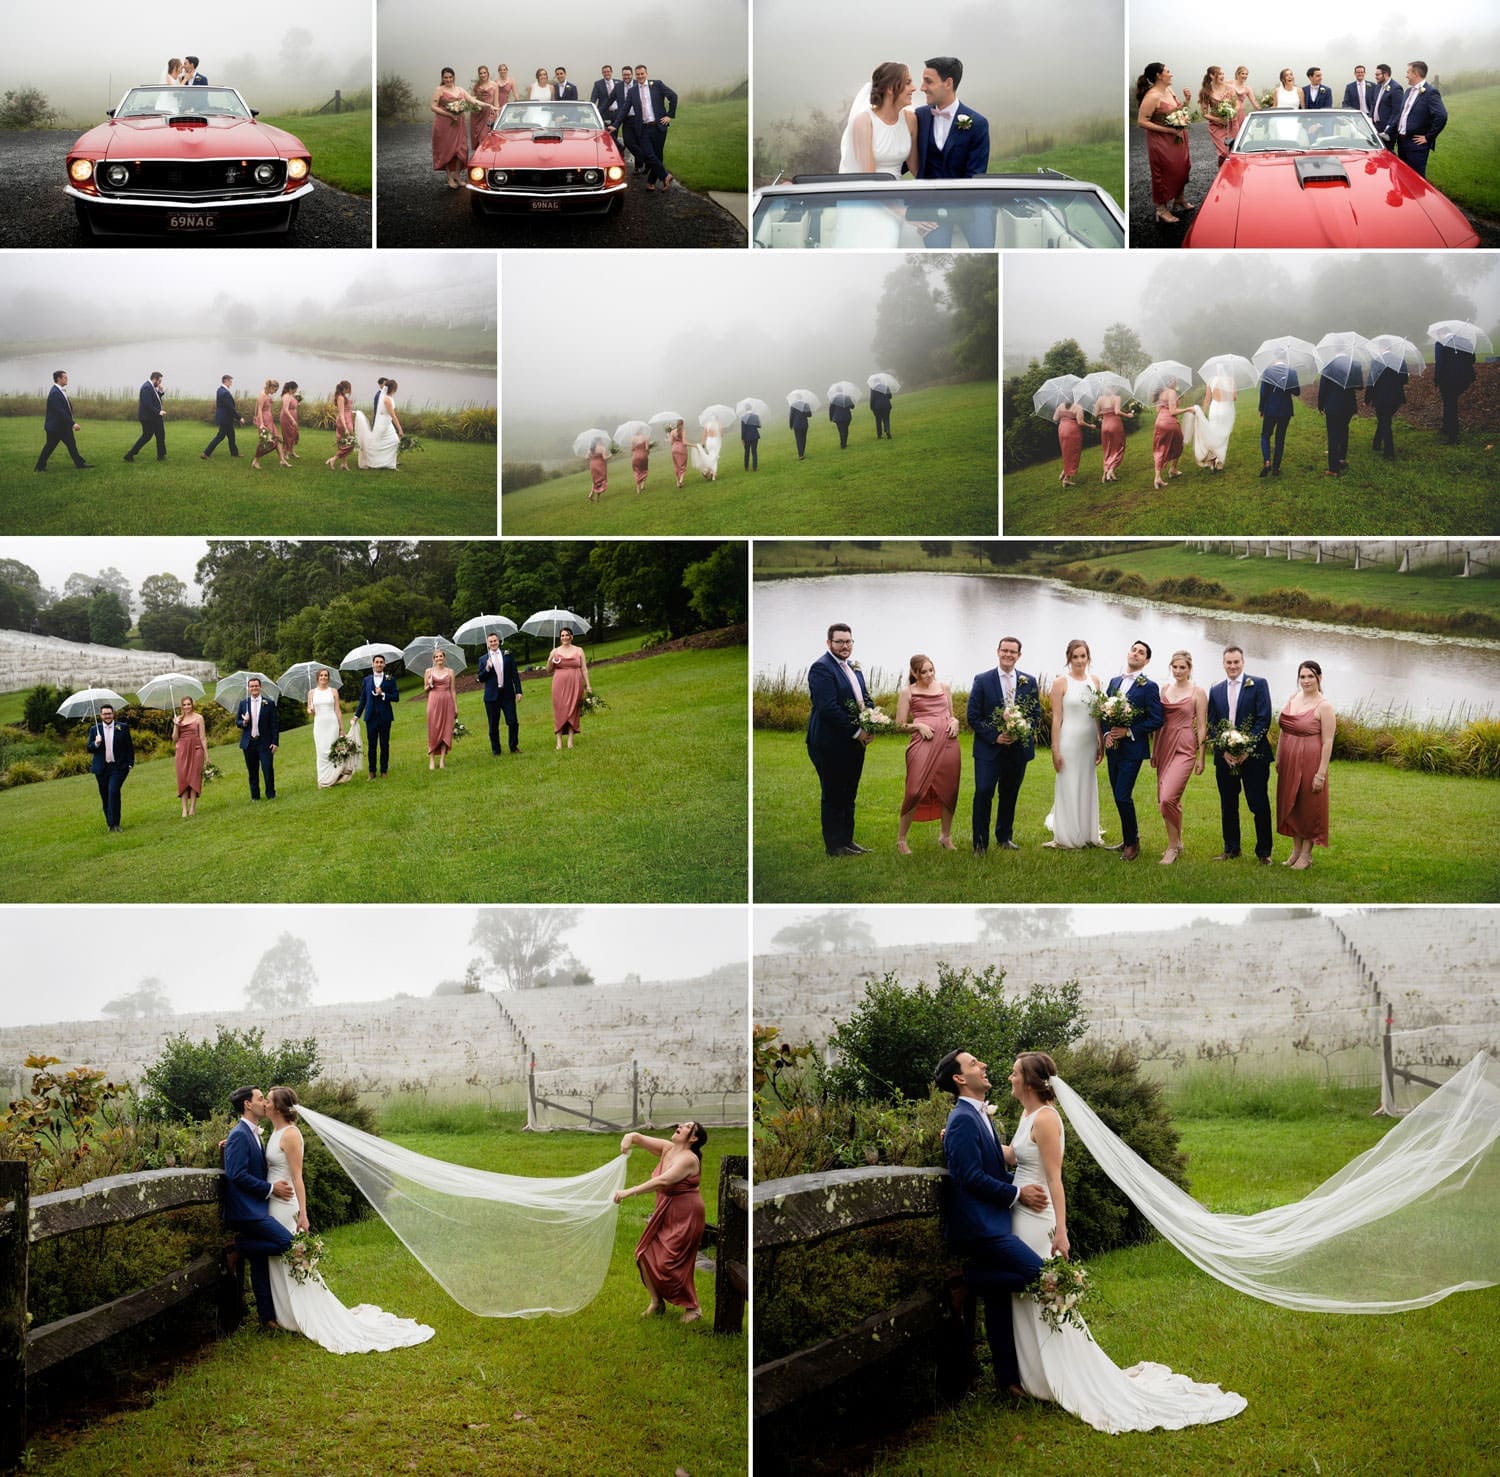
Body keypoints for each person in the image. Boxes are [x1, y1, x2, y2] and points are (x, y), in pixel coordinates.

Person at [1003, 1052, 1247, 1431]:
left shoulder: (1047, 1119)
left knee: (1044, 1290)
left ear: (1031, 1083)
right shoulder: (1026, 1115)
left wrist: (1062, 1231)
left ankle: (1061, 1374)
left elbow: (1054, 1178)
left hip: (1038, 1218)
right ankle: (1036, 1373)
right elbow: (1016, 1157)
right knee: (1027, 1292)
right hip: (1020, 1212)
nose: (1010, 1077)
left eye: (1015, 1073)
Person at [260, 1087, 435, 1352]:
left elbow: (298, 1177)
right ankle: (287, 1314)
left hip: (286, 1205)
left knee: (292, 1256)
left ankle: (304, 1314)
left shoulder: (291, 1134)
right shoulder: (273, 1132)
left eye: (269, 1101)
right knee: (278, 1258)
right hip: (273, 1202)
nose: (265, 1104)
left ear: (278, 1108)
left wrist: (303, 1213)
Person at [933, 1049, 1049, 1399]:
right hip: (979, 1228)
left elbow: (989, 1167)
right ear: (959, 1078)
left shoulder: (979, 1116)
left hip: (994, 1221)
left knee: (999, 1299)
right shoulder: (963, 1120)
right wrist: (1017, 1194)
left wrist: (1020, 1179)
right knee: (1039, 1273)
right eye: (973, 1064)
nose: (982, 1066)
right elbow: (968, 1177)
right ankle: (965, 1282)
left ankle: (1008, 1382)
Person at [615, 1123, 707, 1323]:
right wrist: (628, 1139)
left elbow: (663, 1181)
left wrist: (628, 1192)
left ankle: (693, 1308)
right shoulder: (668, 1149)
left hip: (686, 1216)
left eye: (688, 1126)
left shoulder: (688, 1159)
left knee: (671, 1263)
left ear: (693, 1138)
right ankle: (656, 1303)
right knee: (644, 1253)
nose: (681, 1126)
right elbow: (637, 1137)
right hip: (665, 1211)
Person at [222, 1087, 295, 1329]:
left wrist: (225, 1144)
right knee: (287, 1243)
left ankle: (267, 1319)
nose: (264, 1102)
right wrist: (271, 1189)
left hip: (257, 1208)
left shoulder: (252, 1133)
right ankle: (237, 1248)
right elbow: (236, 1174)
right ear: (247, 1104)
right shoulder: (240, 1134)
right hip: (246, 1211)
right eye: (260, 1098)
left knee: (261, 1260)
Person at [968, 636, 1038, 854]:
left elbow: (1035, 714)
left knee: (1009, 794)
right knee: (983, 791)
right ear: (997, 651)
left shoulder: (1029, 681)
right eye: (1004, 650)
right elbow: (973, 716)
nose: (1008, 655)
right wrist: (995, 736)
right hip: (989, 749)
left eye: (1013, 652)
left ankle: (1004, 837)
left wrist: (1021, 731)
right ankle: (980, 842)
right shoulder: (982, 680)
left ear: (1019, 655)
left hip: (1017, 751)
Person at [807, 622, 872, 856]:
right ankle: (834, 846)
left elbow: (864, 698)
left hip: (853, 743)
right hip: (829, 743)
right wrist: (857, 731)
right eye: (840, 642)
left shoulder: (854, 667)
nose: (845, 646)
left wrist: (872, 720)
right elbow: (828, 708)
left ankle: (848, 840)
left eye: (848, 641)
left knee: (849, 792)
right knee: (833, 793)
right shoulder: (821, 668)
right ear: (829, 643)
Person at [912, 56, 992, 247]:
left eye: (928, 81)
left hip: (969, 204)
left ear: (948, 83)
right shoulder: (919, 116)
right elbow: (905, 160)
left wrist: (951, 208)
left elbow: (975, 175)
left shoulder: (977, 123)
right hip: (930, 205)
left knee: (984, 248)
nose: (922, 87)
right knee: (937, 251)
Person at [1206, 644, 1273, 864]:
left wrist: (1246, 748)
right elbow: (1213, 724)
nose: (1232, 666)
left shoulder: (1259, 684)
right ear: (1223, 664)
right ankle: (1231, 848)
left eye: (1236, 662)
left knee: (1258, 803)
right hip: (1225, 758)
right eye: (1228, 662)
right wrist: (1224, 749)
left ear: (1243, 662)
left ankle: (1264, 852)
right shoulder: (1215, 690)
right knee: (1228, 803)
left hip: (1254, 757)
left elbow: (1264, 719)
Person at [1102, 640, 1164, 863]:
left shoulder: (1149, 686)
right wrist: (1107, 734)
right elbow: (1103, 711)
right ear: (1128, 653)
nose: (1136, 654)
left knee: (1122, 795)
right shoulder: (1114, 681)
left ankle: (1132, 844)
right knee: (1118, 797)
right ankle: (1128, 837)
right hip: (1113, 751)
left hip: (1132, 751)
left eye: (1141, 653)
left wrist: (1129, 731)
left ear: (1146, 661)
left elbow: (1157, 719)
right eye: (1134, 650)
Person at [896, 654, 960, 853]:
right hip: (922, 744)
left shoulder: (944, 688)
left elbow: (951, 715)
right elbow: (899, 725)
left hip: (949, 744)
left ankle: (945, 836)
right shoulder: (908, 692)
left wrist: (956, 721)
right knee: (915, 790)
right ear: (914, 673)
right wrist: (918, 725)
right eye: (923, 672)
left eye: (931, 670)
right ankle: (901, 840)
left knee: (949, 790)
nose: (929, 675)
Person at [1275, 661, 1335, 870]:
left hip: (1310, 762)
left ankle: (1306, 855)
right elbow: (1284, 730)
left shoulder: (1324, 706)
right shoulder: (1294, 698)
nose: (1306, 681)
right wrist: (1279, 757)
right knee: (1292, 804)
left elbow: (1328, 741)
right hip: (1289, 760)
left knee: (1309, 807)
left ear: (1319, 677)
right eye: (1302, 677)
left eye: (1310, 676)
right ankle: (1295, 851)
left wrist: (1321, 773)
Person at [1047, 639, 1104, 849]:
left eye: (1083, 656)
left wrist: (1101, 742)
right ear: (1069, 659)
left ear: (1088, 657)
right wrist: (1055, 749)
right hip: (1069, 741)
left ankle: (1088, 832)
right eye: (1075, 656)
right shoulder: (1061, 683)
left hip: (1089, 742)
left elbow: (1097, 715)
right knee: (1068, 784)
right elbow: (1056, 719)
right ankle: (1067, 836)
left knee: (1087, 784)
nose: (1080, 661)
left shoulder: (1095, 681)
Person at [1152, 650, 1206, 865]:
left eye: (1182, 667)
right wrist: (1155, 750)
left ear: (1189, 668)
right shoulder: (1165, 689)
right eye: (1175, 667)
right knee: (1167, 800)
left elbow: (1202, 726)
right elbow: (1158, 722)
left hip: (1184, 747)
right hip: (1164, 743)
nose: (1178, 671)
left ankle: (1172, 848)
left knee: (1168, 798)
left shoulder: (1198, 692)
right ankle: (1177, 841)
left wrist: (1201, 757)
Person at [837, 61, 917, 187]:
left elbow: (916, 171)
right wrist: (898, 207)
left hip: (898, 193)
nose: (914, 88)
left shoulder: (910, 120)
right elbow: (870, 181)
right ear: (890, 88)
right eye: (907, 83)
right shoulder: (864, 122)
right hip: (869, 196)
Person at [1136, 63, 1192, 224]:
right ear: (1159, 76)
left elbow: (1180, 111)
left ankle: (1179, 198)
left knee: (1183, 167)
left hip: (1178, 137)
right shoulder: (1152, 96)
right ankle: (1161, 209)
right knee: (1164, 172)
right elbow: (1141, 121)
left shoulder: (1169, 90)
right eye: (1168, 71)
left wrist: (1187, 101)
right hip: (1161, 141)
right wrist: (1168, 131)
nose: (1171, 74)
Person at [618, 65, 675, 190]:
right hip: (643, 128)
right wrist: (615, 125)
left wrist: (669, 115)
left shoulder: (657, 85)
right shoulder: (632, 91)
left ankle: (651, 182)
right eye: (637, 74)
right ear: (635, 75)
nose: (640, 76)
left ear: (646, 74)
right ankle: (665, 175)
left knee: (658, 155)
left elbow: (673, 96)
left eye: (642, 74)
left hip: (659, 126)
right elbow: (624, 109)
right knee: (648, 154)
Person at [1393, 61, 1446, 179]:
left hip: (1416, 145)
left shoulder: (1430, 92)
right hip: (1402, 143)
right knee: (1402, 177)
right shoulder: (1408, 91)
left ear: (1415, 74)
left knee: (1416, 179)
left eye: (1408, 72)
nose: (1406, 75)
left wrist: (1428, 137)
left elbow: (1441, 116)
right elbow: (1403, 115)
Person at [87, 703, 133, 832]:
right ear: (100, 715)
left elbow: (129, 746)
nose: (107, 716)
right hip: (101, 768)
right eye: (105, 714)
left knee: (113, 792)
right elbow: (89, 749)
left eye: (109, 713)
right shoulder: (94, 729)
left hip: (118, 768)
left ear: (113, 714)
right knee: (105, 795)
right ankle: (110, 823)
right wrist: (96, 743)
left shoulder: (122, 727)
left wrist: (130, 763)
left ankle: (116, 823)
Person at [35, 369, 93, 473]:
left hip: (62, 426)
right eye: (65, 377)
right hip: (56, 427)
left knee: (71, 445)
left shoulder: (59, 390)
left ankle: (80, 463)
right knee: (50, 446)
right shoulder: (55, 393)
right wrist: (73, 423)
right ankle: (40, 466)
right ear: (58, 379)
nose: (67, 379)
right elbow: (60, 412)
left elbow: (65, 408)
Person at [306, 666, 353, 788]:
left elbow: (337, 710)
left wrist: (342, 728)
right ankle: (323, 780)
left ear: (328, 678)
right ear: (317, 678)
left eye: (325, 675)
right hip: (319, 725)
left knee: (333, 750)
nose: (323, 677)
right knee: (322, 752)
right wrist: (310, 709)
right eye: (321, 675)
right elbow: (309, 710)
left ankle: (335, 776)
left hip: (332, 724)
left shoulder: (333, 691)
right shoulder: (311, 693)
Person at [1180, 374, 1237, 472]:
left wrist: (1202, 412)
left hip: (1214, 410)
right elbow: (1234, 397)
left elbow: (1207, 399)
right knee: (1224, 436)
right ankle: (1219, 461)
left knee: (1213, 434)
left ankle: (1211, 461)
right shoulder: (1230, 379)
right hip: (1226, 409)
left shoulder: (1211, 380)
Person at [477, 633, 522, 755]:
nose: (493, 643)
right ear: (487, 644)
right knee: (493, 725)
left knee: (512, 722)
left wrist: (518, 691)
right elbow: (480, 678)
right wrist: (487, 668)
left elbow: (515, 674)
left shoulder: (508, 655)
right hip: (491, 697)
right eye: (490, 641)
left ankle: (513, 746)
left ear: (499, 641)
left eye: (495, 641)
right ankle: (496, 750)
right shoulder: (483, 659)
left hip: (507, 694)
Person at [355, 655, 399, 779]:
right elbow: (363, 699)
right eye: (377, 662)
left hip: (385, 716)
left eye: (381, 662)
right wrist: (356, 715)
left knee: (385, 745)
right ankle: (372, 771)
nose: (379, 664)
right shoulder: (367, 680)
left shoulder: (390, 678)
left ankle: (384, 770)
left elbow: (396, 697)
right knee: (372, 746)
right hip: (371, 717)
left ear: (384, 664)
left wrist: (383, 693)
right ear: (373, 664)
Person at [430, 68, 475, 189]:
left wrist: (489, 105)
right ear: (442, 78)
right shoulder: (439, 90)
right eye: (446, 77)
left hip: (459, 124)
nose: (448, 79)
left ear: (454, 77)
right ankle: (450, 178)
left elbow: (472, 100)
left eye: (450, 77)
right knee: (447, 150)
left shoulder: (460, 89)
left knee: (462, 149)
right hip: (444, 124)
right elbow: (433, 107)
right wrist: (449, 114)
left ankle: (458, 176)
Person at [548, 626, 591, 750]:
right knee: (560, 711)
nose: (565, 637)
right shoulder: (555, 651)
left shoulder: (579, 650)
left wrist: (588, 685)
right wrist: (550, 658)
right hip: (559, 684)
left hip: (575, 683)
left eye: (567, 635)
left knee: (573, 710)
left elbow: (584, 669)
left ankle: (570, 741)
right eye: (562, 635)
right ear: (560, 638)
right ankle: (559, 742)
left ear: (571, 637)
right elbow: (548, 670)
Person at [236, 675, 278, 800]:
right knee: (252, 771)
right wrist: (244, 722)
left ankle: (271, 794)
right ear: (248, 688)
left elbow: (274, 724)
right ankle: (255, 796)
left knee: (267, 768)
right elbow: (237, 722)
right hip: (249, 743)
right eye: (252, 686)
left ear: (260, 687)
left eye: (256, 686)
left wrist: (275, 742)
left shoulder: (269, 703)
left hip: (265, 742)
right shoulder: (243, 704)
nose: (254, 688)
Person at [1317, 363, 1359, 477]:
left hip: (1333, 405)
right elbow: (1359, 386)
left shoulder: (1329, 366)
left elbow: (1323, 388)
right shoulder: (1354, 365)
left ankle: (1333, 469)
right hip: (1349, 405)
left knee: (1333, 435)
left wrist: (1320, 405)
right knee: (1344, 430)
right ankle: (1341, 458)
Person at [1257, 364, 1298, 477]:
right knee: (1280, 438)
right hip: (1285, 410)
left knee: (1265, 435)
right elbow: (1297, 391)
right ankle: (1276, 468)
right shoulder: (1291, 372)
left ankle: (1267, 461)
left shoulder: (1268, 371)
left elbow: (1263, 392)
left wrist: (1261, 408)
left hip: (1270, 410)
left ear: (1275, 358)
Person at [1434, 340, 1476, 445]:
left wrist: (1437, 379)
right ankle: (1446, 427)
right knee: (1450, 403)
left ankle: (1452, 436)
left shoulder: (1440, 344)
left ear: (1441, 332)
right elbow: (1472, 359)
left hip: (1448, 380)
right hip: (1464, 379)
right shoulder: (1465, 342)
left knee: (1450, 406)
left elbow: (1439, 363)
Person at [171, 695, 207, 819]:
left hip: (196, 750)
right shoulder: (178, 719)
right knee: (183, 779)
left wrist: (207, 755)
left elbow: (203, 737)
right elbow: (174, 739)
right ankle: (184, 809)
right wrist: (176, 725)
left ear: (192, 704)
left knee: (194, 778)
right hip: (182, 751)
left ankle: (192, 808)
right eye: (184, 704)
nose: (187, 706)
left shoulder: (199, 718)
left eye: (189, 704)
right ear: (181, 706)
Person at [356, 378, 403, 470]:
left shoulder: (389, 398)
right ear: (393, 389)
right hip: (384, 425)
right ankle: (375, 461)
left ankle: (389, 463)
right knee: (388, 442)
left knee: (394, 441)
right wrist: (400, 428)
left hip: (387, 423)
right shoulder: (387, 400)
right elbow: (393, 415)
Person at [423, 648, 458, 770]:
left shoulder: (450, 672)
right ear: (433, 659)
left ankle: (442, 760)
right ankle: (432, 759)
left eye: (441, 656)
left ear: (444, 658)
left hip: (447, 702)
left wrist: (455, 706)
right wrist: (430, 684)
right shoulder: (428, 671)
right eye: (436, 657)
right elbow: (425, 690)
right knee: (433, 731)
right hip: (433, 701)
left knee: (446, 731)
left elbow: (453, 690)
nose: (439, 658)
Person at [1365, 361, 1407, 460]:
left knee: (1385, 422)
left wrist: (1367, 398)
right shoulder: (1400, 360)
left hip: (1381, 398)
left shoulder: (1376, 362)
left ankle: (1389, 452)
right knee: (1384, 420)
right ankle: (1376, 443)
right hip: (1396, 398)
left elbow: (1371, 381)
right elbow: (1405, 379)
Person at [123, 371, 167, 462]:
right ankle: (129, 455)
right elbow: (147, 404)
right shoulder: (146, 387)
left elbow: (155, 399)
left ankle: (161, 455)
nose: (160, 383)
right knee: (147, 436)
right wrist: (158, 412)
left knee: (160, 435)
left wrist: (161, 391)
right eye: (159, 381)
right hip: (148, 418)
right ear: (154, 379)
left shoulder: (152, 387)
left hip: (154, 417)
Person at [1094, 387, 1132, 482]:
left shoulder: (1100, 399)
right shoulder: (1116, 398)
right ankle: (1110, 470)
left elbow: (1095, 414)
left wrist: (1105, 411)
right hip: (1115, 424)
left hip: (1105, 425)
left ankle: (1105, 474)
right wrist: (1128, 415)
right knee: (1119, 447)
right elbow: (1117, 411)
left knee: (1107, 449)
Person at [202, 374, 243, 460]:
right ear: (226, 381)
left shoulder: (220, 390)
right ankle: (206, 453)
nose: (231, 383)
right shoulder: (225, 393)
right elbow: (231, 408)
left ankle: (234, 453)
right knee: (220, 436)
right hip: (225, 419)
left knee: (231, 435)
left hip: (224, 418)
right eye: (230, 381)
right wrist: (239, 418)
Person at [1200, 66, 1237, 162]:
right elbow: (1204, 113)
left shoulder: (1229, 88)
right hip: (1217, 126)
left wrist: (1231, 113)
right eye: (1220, 74)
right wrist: (1218, 120)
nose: (1223, 76)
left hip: (1232, 124)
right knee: (1225, 152)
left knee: (1234, 151)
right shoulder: (1205, 92)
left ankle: (1229, 174)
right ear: (1212, 76)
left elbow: (1237, 105)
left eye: (1223, 73)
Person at [1151, 383, 1184, 489]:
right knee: (1179, 444)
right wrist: (1189, 409)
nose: (1176, 381)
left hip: (1159, 422)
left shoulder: (1161, 393)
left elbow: (1157, 410)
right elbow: (1173, 411)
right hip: (1170, 422)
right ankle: (1172, 469)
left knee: (1159, 448)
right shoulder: (1172, 392)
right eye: (1174, 379)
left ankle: (1158, 477)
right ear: (1169, 381)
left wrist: (1177, 399)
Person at [251, 379, 285, 471]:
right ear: (270, 387)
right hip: (264, 422)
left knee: (276, 439)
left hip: (270, 420)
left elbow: (267, 402)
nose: (275, 392)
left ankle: (282, 460)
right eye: (275, 390)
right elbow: (259, 410)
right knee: (265, 442)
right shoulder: (262, 396)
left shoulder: (266, 395)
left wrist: (270, 400)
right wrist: (261, 424)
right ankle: (255, 461)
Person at [1053, 398, 1088, 488]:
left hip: (1062, 429)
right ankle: (1066, 478)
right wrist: (1090, 425)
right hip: (1072, 430)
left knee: (1066, 452)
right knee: (1074, 453)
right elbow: (1080, 422)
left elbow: (1055, 418)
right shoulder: (1078, 407)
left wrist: (1063, 418)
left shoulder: (1060, 405)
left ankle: (1065, 472)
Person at [590, 65, 627, 151]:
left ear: (611, 72)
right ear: (602, 73)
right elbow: (593, 98)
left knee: (615, 133)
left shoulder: (619, 83)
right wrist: (593, 110)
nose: (606, 73)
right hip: (604, 113)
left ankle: (615, 151)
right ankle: (613, 149)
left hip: (617, 113)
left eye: (608, 71)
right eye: (604, 72)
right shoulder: (598, 84)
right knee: (606, 133)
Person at [326, 380, 354, 471]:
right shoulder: (341, 398)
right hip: (344, 421)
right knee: (351, 443)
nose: (350, 390)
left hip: (347, 420)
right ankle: (333, 459)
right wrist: (345, 427)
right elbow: (341, 413)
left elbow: (347, 409)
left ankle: (344, 464)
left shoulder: (343, 397)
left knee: (345, 442)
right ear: (345, 388)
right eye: (349, 388)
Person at [1372, 64, 1402, 149]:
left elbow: (1397, 112)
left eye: (1378, 75)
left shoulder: (1396, 88)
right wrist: (1370, 117)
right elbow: (1373, 103)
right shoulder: (1378, 86)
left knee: (1386, 154)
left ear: (1385, 74)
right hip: (1375, 126)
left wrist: (1387, 129)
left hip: (1387, 130)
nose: (1376, 77)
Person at [470, 65, 498, 150]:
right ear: (479, 75)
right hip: (477, 115)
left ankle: (487, 157)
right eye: (481, 73)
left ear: (487, 73)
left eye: (484, 73)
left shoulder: (494, 85)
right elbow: (472, 99)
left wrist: (497, 115)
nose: (483, 75)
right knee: (478, 138)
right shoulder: (476, 86)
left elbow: (496, 103)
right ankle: (480, 158)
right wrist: (475, 107)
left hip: (489, 114)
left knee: (485, 136)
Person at [1229, 66, 1255, 138]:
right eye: (1243, 73)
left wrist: (1264, 109)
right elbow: (1219, 87)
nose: (1245, 76)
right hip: (1230, 111)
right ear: (1237, 74)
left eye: (1246, 74)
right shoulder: (1230, 83)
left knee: (1240, 133)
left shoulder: (1247, 88)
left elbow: (1254, 102)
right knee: (1230, 133)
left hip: (1240, 113)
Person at [279, 381, 300, 461]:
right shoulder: (286, 396)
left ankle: (292, 451)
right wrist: (292, 419)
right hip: (287, 418)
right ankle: (286, 453)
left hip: (293, 417)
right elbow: (285, 409)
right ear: (291, 388)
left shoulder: (291, 395)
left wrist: (297, 404)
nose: (296, 391)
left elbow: (292, 404)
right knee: (288, 435)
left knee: (294, 434)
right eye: (295, 389)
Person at [668, 420, 690, 487]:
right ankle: (680, 481)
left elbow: (671, 443)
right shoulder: (683, 431)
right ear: (682, 424)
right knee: (683, 466)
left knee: (676, 466)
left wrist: (668, 435)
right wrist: (694, 445)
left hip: (674, 449)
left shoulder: (672, 431)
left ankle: (677, 482)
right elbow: (684, 442)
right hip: (682, 449)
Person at [630, 429, 650, 494]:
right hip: (643, 455)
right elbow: (647, 448)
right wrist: (648, 452)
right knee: (644, 470)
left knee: (636, 471)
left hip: (635, 456)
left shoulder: (633, 439)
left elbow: (632, 449)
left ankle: (638, 489)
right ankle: (642, 485)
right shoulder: (645, 437)